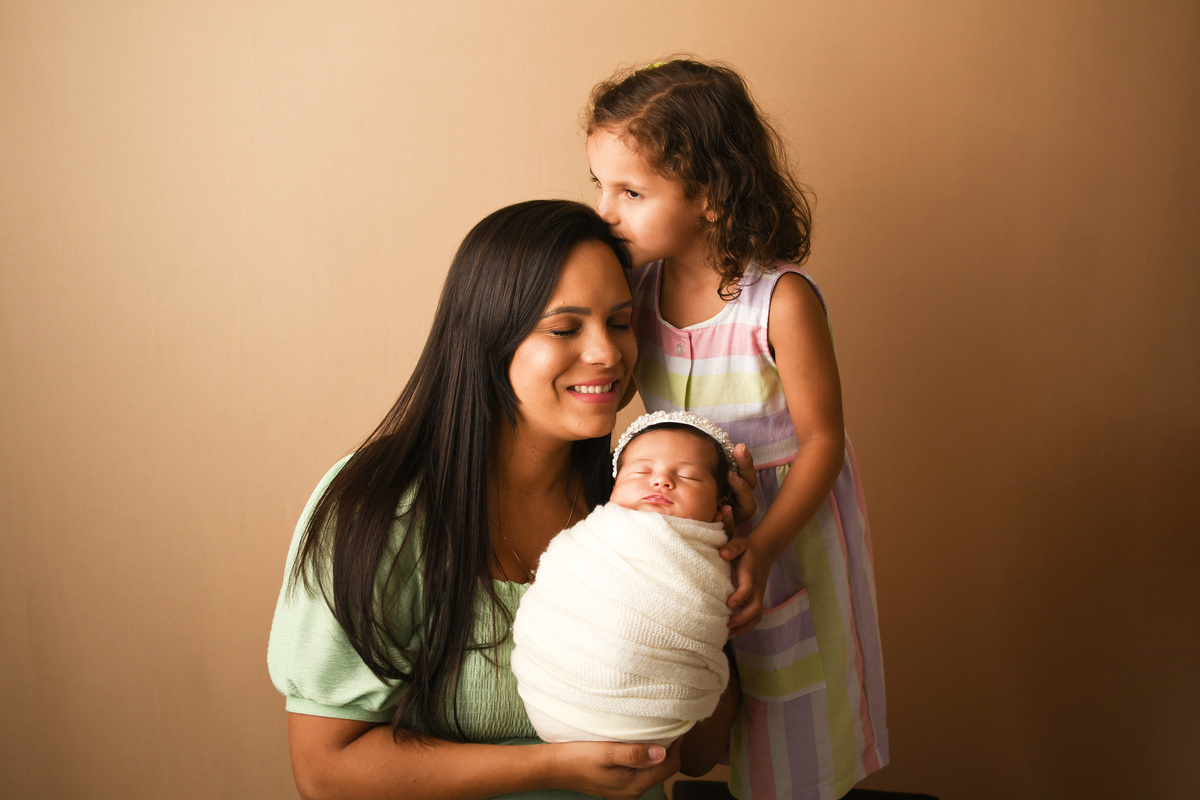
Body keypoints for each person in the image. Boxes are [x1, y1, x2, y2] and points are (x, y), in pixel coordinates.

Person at [267, 200, 752, 800]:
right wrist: (553, 768)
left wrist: (710, 564)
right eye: (565, 328)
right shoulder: (377, 507)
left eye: (621, 322)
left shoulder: (638, 501)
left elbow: (701, 754)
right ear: (488, 337)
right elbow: (324, 770)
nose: (607, 353)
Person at [585, 59, 889, 799]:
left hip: (786, 537)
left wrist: (766, 544)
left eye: (630, 192)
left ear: (711, 195)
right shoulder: (636, 291)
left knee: (793, 715)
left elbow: (823, 442)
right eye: (599, 185)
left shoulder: (779, 301)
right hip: (684, 529)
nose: (605, 211)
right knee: (682, 697)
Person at [512, 411, 741, 748]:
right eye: (641, 472)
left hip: (655, 720)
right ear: (614, 486)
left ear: (721, 505)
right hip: (554, 696)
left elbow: (702, 617)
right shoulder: (596, 536)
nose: (661, 481)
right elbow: (557, 587)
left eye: (688, 476)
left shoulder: (711, 559)